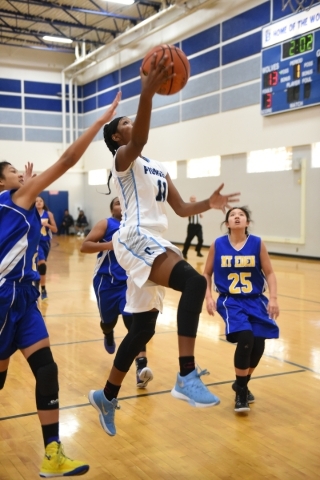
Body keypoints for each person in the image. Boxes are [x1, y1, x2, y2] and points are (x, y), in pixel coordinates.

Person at [88, 52, 240, 437]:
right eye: (124, 123)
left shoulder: (156, 166)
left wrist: (208, 203)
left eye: (129, 120)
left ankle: (106, 396)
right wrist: (147, 93)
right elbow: (140, 136)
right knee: (194, 282)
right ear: (117, 137)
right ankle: (186, 374)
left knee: (141, 331)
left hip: (155, 239)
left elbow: (181, 205)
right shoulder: (123, 158)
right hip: (135, 237)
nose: (130, 124)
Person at [0, 91, 121, 477]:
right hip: (3, 300)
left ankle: (52, 453)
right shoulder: (15, 199)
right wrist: (100, 123)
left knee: (48, 370)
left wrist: (31, 192)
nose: (22, 173)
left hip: (24, 300)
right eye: (14, 171)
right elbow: (69, 160)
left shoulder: (21, 205)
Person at [203, 206, 280, 413]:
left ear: (247, 222)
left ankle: (241, 383)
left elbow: (270, 273)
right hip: (231, 301)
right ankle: (242, 393)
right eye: (232, 215)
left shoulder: (257, 243)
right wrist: (208, 296)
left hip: (255, 300)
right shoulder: (217, 245)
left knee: (259, 344)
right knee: (246, 338)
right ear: (227, 223)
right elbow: (206, 274)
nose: (237, 217)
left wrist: (273, 298)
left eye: (241, 215)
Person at [80, 196, 153, 388]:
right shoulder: (106, 224)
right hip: (106, 282)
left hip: (130, 284)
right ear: (112, 209)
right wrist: (109, 245)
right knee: (107, 321)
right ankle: (108, 331)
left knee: (135, 324)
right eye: (117, 203)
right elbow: (84, 246)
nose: (121, 206)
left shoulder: (137, 226)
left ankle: (141, 369)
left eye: (124, 202)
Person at [35, 196, 58, 300]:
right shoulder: (31, 213)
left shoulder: (48, 214)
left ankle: (37, 283)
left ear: (43, 203)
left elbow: (55, 230)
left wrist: (47, 224)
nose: (39, 202)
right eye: (36, 201)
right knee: (41, 264)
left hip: (45, 243)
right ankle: (42, 289)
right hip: (35, 242)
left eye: (41, 201)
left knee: (40, 266)